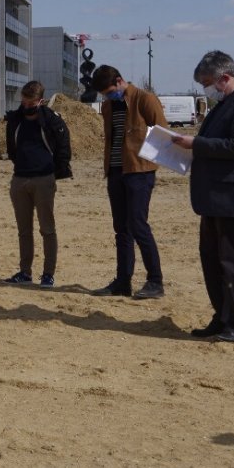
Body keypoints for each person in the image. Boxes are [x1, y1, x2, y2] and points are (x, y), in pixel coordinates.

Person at [171, 51, 234, 343]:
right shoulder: (223, 105)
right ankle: (222, 317)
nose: (206, 89)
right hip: (213, 199)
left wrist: (196, 144)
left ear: (224, 78)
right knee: (212, 262)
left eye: (208, 83)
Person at [90, 65, 168, 299]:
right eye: (104, 93)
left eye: (110, 91)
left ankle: (155, 282)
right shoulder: (107, 106)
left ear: (120, 81)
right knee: (121, 229)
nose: (108, 96)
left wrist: (148, 162)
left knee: (138, 225)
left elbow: (162, 133)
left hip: (139, 172)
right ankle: (123, 282)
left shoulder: (145, 99)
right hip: (115, 172)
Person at [3, 81, 72, 288]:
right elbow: (12, 149)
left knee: (47, 229)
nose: (26, 105)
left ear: (40, 101)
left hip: (44, 180)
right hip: (19, 179)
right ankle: (25, 272)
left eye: (30, 102)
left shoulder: (52, 121)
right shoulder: (15, 120)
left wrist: (53, 172)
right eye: (23, 101)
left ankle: (48, 274)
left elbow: (63, 150)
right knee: (24, 230)